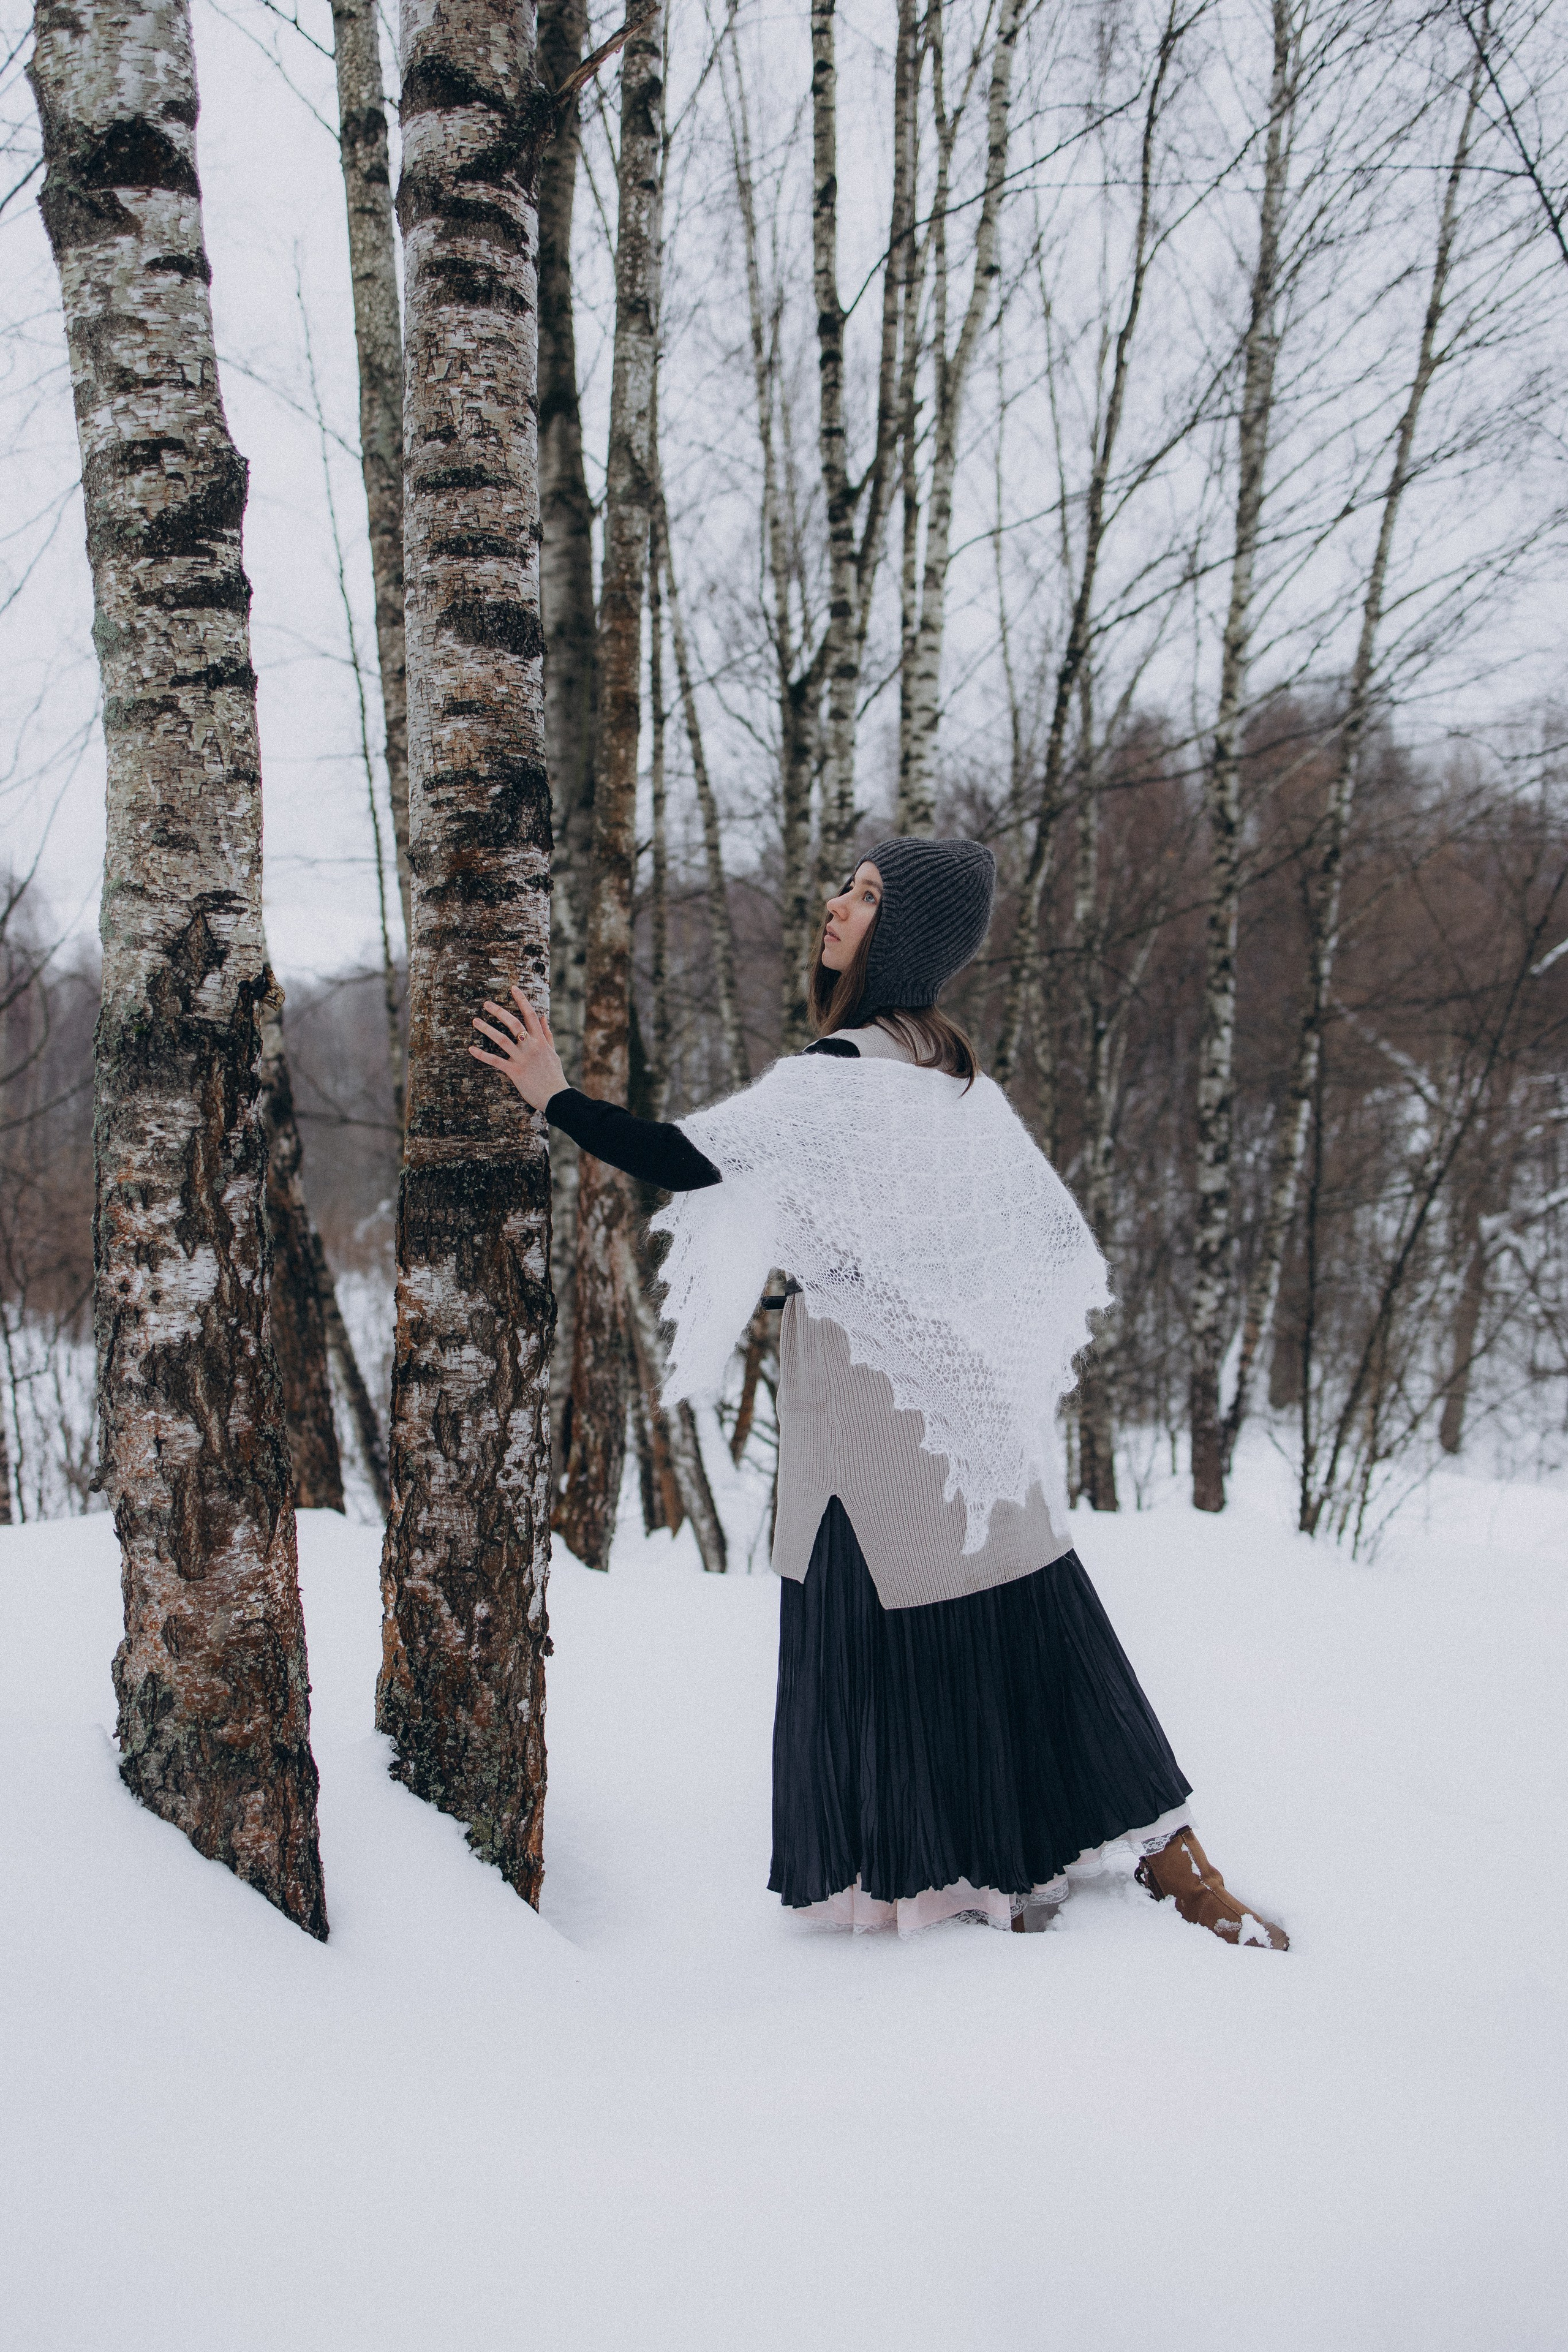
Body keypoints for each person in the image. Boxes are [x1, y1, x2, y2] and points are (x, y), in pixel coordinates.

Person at [472, 835, 1287, 1949]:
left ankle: (954, 1862)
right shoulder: (949, 1075)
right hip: (967, 1399)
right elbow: (1036, 1240)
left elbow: (683, 1158)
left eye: (865, 897)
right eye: (845, 887)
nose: (835, 906)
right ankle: (1164, 1850)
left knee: (883, 1613)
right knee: (1027, 1615)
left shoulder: (840, 1077)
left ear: (900, 936)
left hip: (869, 1405)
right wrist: (941, 1316)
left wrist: (552, 1094)